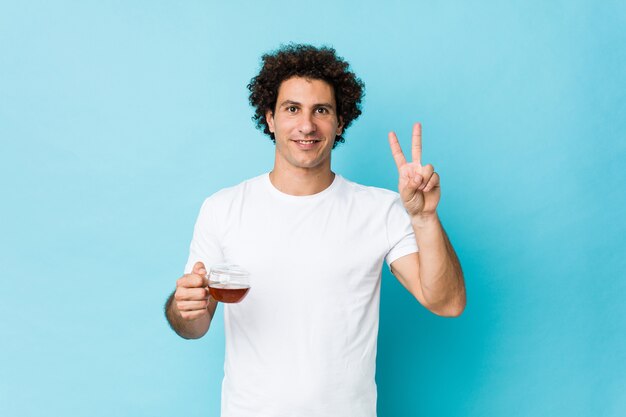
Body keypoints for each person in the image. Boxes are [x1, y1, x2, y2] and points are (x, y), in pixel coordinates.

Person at [165, 44, 466, 417]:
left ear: (340, 122)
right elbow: (192, 327)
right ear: (271, 118)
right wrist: (185, 308)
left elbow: (447, 302)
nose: (306, 125)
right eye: (292, 109)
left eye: (321, 110)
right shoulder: (223, 208)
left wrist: (424, 218)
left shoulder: (381, 209)